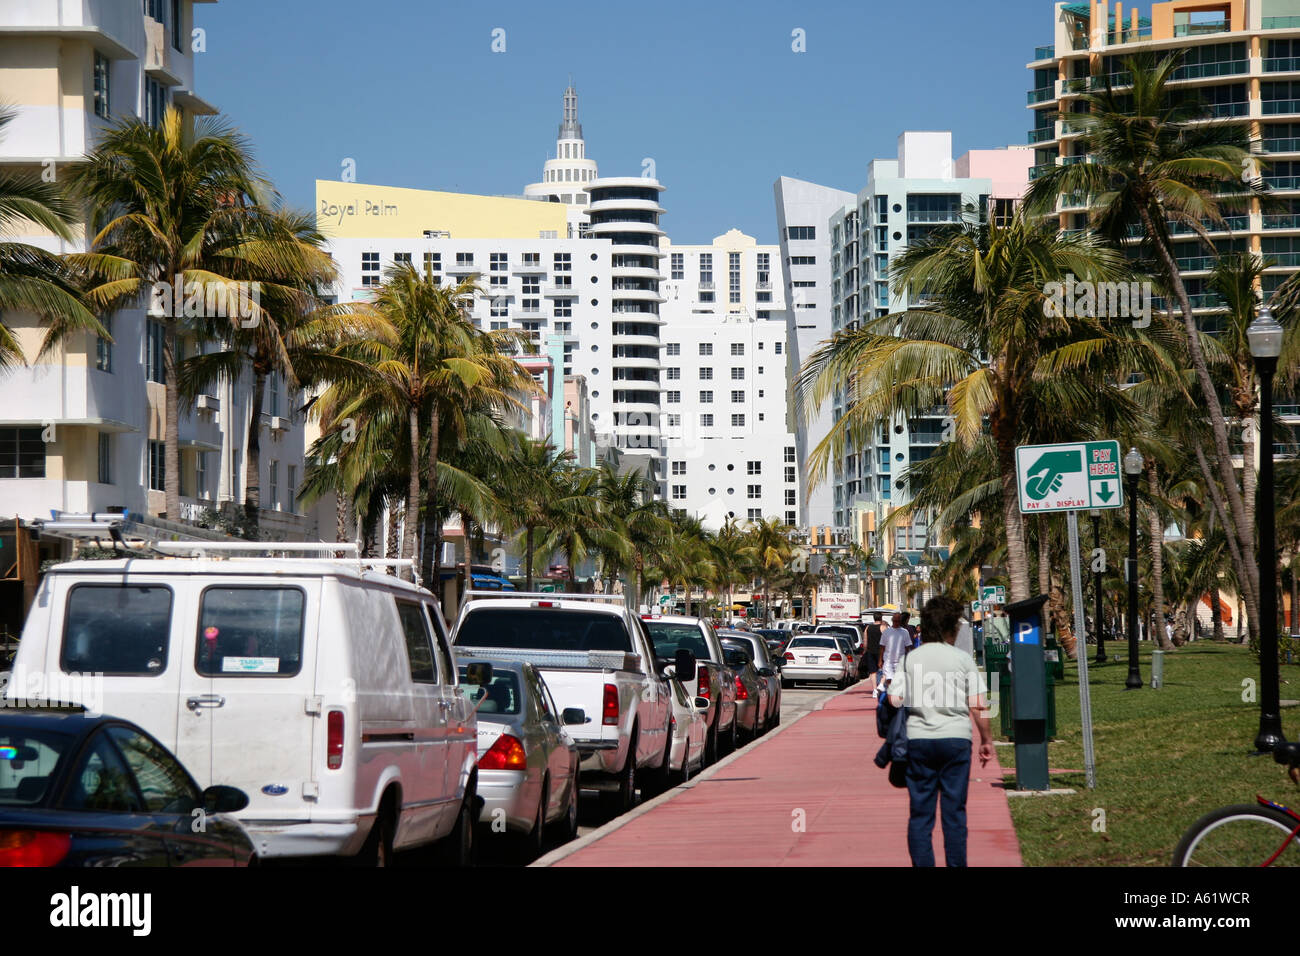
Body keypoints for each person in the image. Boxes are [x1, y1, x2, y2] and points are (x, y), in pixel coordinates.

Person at [888, 595, 994, 868]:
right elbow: (979, 705)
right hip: (957, 740)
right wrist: (986, 740)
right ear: (952, 628)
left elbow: (894, 698)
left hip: (919, 741)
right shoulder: (962, 659)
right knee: (954, 813)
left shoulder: (911, 659)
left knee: (921, 816)